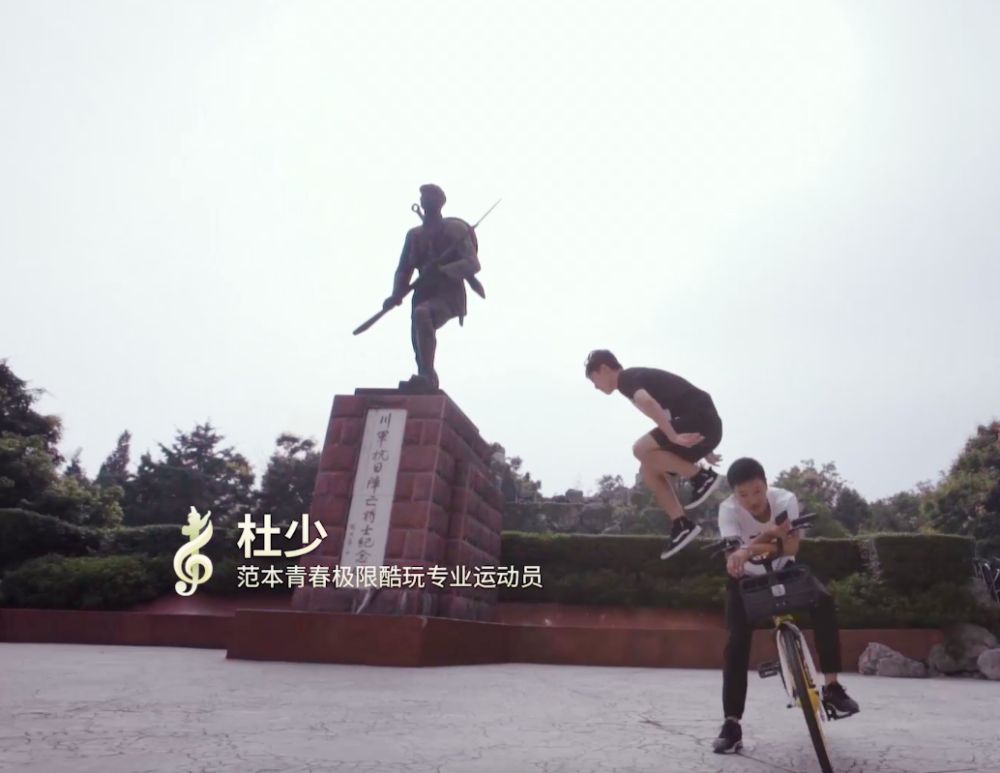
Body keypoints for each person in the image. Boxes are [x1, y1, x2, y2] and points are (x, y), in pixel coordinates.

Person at [712, 457, 860, 755]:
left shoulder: (785, 501)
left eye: (757, 491)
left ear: (766, 485)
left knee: (824, 602)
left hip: (785, 569)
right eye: (743, 495)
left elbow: (791, 547)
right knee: (736, 639)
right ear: (734, 495)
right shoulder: (728, 511)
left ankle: (832, 687)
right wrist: (763, 542)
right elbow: (733, 559)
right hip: (746, 579)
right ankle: (731, 723)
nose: (752, 501)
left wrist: (748, 548)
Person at [585, 349, 723, 558]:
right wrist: (705, 448)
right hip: (703, 425)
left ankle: (701, 477)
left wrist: (673, 436)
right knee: (648, 468)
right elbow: (668, 410)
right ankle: (681, 524)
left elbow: (649, 403)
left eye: (594, 380)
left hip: (700, 419)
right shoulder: (635, 380)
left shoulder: (626, 378)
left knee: (639, 449)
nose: (596, 387)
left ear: (604, 369)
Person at [383, 184, 481, 390]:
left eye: (430, 196)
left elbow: (472, 264)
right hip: (422, 292)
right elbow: (403, 269)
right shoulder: (414, 235)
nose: (425, 200)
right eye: (423, 196)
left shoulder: (455, 229)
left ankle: (427, 375)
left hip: (448, 293)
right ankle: (425, 375)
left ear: (440, 202)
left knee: (422, 314)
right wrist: (395, 294)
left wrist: (442, 270)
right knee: (417, 338)